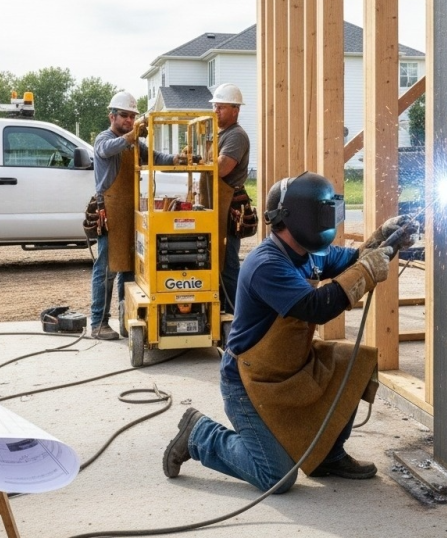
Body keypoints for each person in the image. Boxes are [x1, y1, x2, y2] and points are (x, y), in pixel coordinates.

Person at [161, 171, 416, 492]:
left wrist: (385, 238)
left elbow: (356, 260)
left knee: (355, 363)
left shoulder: (310, 254)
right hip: (250, 382)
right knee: (277, 476)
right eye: (322, 211)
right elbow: (316, 306)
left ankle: (328, 456)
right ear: (299, 216)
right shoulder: (267, 264)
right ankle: (200, 434)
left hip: (293, 366)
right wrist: (366, 270)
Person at [89, 91, 175, 340]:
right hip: (110, 210)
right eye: (124, 115)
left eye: (132, 116)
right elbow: (106, 150)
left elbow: (156, 158)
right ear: (112, 116)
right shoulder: (104, 139)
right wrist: (132, 135)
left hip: (131, 211)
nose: (129, 120)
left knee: (129, 267)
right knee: (107, 268)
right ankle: (98, 323)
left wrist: (177, 159)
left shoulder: (134, 143)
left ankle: (127, 319)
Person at [198, 82, 251, 313]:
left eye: (221, 107)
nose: (216, 111)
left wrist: (198, 162)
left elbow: (221, 168)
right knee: (214, 259)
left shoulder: (236, 136)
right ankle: (220, 310)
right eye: (215, 107)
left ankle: (233, 313)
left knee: (228, 263)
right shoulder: (220, 134)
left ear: (235, 110)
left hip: (228, 206)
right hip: (215, 204)